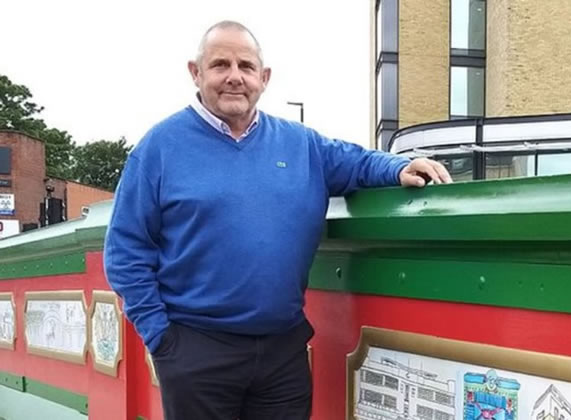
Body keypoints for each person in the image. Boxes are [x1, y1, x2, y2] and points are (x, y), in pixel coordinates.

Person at [104, 20, 452, 420]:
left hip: (282, 350)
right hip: (195, 348)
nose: (235, 77)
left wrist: (399, 167)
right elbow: (126, 250)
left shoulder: (300, 144)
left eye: (246, 67)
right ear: (195, 73)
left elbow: (355, 161)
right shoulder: (158, 148)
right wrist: (162, 339)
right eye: (220, 65)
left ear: (263, 78)